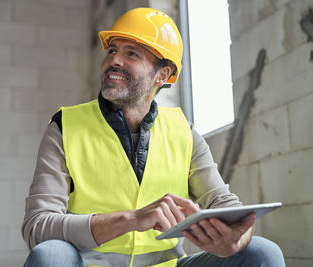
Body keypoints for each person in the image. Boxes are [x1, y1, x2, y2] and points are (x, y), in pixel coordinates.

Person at [22, 7, 285, 267]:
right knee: (51, 256)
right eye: (112, 50)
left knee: (261, 252)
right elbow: (38, 226)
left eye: (132, 53)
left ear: (164, 74)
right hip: (88, 264)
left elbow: (227, 205)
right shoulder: (65, 126)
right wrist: (131, 219)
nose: (114, 60)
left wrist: (236, 239)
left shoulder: (184, 132)